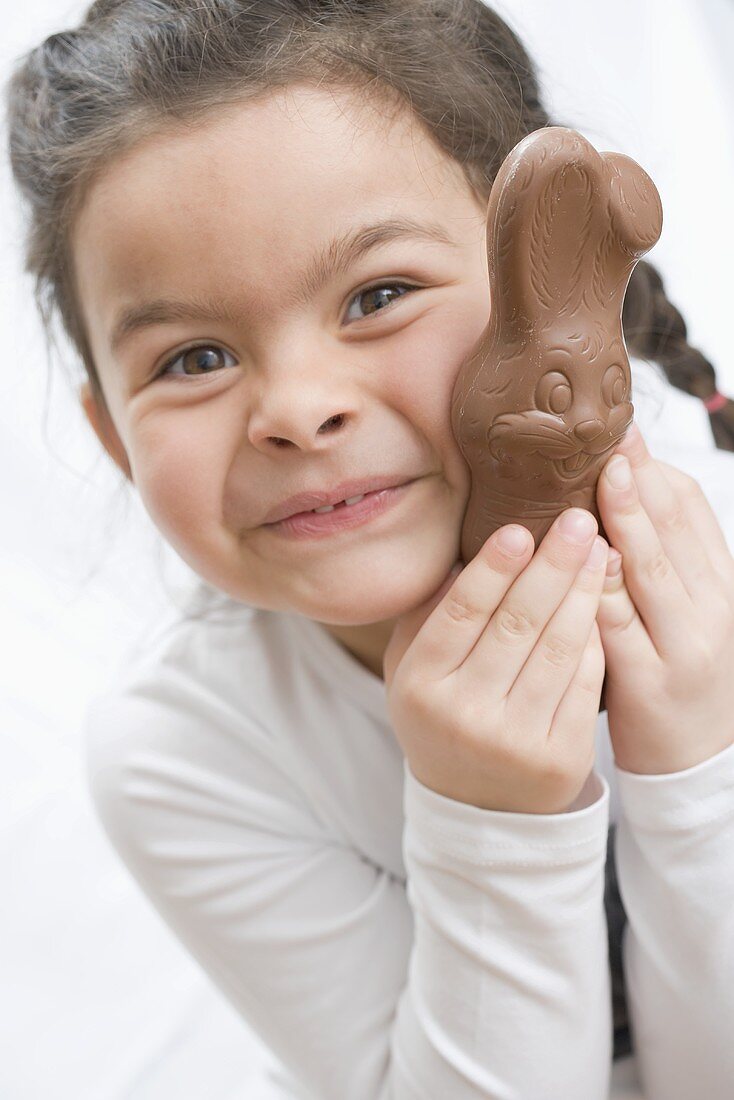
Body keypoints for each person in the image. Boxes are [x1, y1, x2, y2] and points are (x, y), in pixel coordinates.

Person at [5, 2, 734, 1097]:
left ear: (557, 270)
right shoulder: (186, 748)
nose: (296, 410)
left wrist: (693, 757)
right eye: (194, 357)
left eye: (378, 294)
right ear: (113, 433)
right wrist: (487, 816)